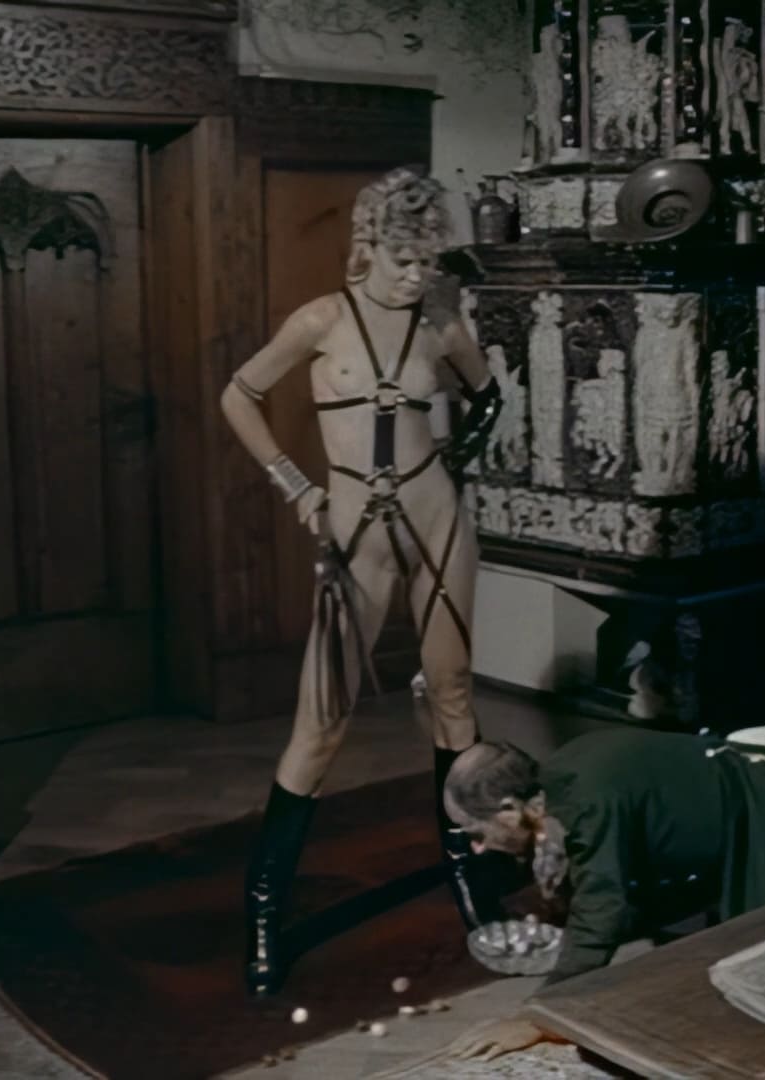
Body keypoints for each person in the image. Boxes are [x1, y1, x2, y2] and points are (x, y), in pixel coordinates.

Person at [220, 167, 504, 996]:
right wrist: (295, 486)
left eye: (427, 262)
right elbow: (239, 396)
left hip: (439, 525)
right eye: (403, 260)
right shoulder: (321, 320)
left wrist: (452, 464)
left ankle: (469, 878)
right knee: (322, 723)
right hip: (357, 538)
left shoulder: (440, 323)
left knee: (453, 698)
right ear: (368, 245)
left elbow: (488, 400)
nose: (416, 276)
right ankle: (265, 909)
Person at [441, 719, 765, 1060]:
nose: (478, 847)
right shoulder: (559, 780)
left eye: (476, 831)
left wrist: (539, 1015)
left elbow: (602, 908)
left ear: (510, 808)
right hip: (745, 796)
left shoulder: (589, 804)